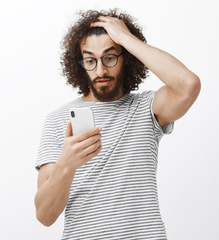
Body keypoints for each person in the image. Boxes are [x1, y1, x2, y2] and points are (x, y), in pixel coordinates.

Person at [34, 9, 201, 240]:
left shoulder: (147, 108)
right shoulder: (58, 120)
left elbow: (188, 85)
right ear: (80, 63)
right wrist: (67, 164)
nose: (100, 70)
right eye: (90, 60)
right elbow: (44, 215)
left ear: (127, 58)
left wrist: (125, 38)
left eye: (110, 57)